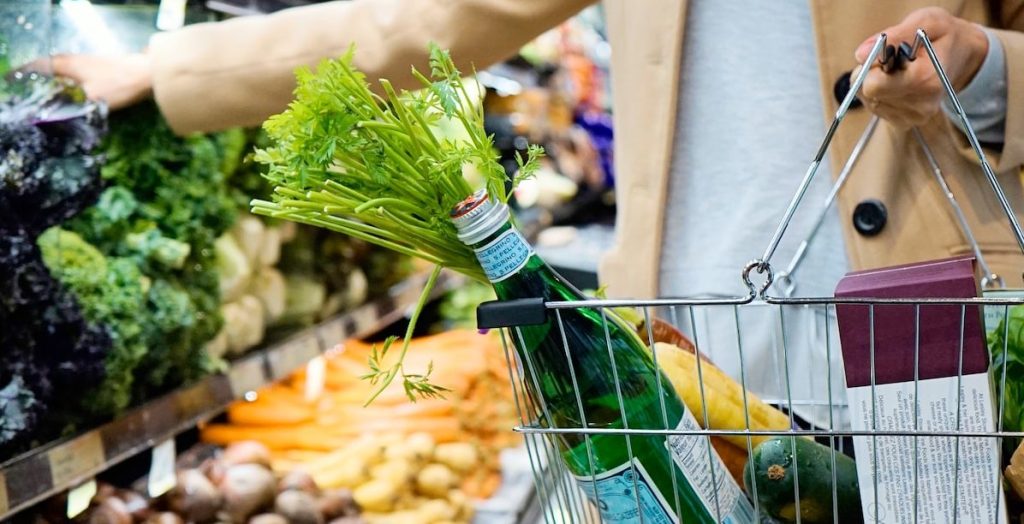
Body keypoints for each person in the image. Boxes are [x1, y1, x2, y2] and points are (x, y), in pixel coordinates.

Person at [51, 1, 1024, 429]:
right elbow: (422, 21)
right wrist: (171, 70)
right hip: (687, 347)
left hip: (940, 334)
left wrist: (982, 71)